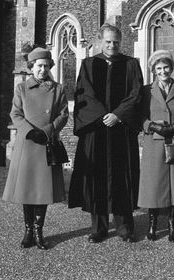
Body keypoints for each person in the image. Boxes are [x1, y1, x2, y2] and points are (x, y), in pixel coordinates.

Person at [68, 23, 143, 243]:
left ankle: (125, 228)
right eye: (108, 41)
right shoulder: (89, 64)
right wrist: (103, 115)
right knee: (97, 177)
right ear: (101, 41)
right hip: (97, 130)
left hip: (121, 130)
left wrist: (118, 114)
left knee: (123, 176)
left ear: (121, 42)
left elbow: (136, 93)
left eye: (116, 42)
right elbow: (84, 94)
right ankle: (98, 228)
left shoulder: (131, 64)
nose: (112, 45)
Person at [3, 47, 69, 250]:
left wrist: (47, 131)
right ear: (32, 67)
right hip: (28, 144)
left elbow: (64, 115)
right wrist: (29, 132)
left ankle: (39, 231)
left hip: (46, 144)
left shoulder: (58, 89)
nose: (43, 69)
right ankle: (28, 231)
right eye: (39, 66)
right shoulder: (21, 88)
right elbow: (15, 114)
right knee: (28, 189)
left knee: (42, 189)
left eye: (46, 66)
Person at [138, 50, 174, 242]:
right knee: (154, 186)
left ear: (172, 68)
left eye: (166, 67)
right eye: (159, 68)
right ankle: (152, 224)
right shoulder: (146, 91)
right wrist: (151, 126)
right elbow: (139, 116)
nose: (163, 71)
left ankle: (172, 225)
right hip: (154, 143)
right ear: (153, 70)